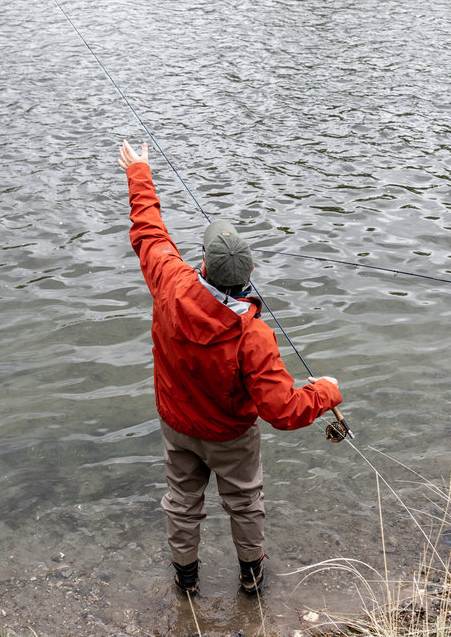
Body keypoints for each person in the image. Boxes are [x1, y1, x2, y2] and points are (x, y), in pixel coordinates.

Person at [117, 140, 343, 595]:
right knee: (244, 503)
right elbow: (282, 411)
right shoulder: (252, 336)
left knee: (182, 502)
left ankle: (185, 580)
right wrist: (326, 392)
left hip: (177, 425)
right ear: (249, 272)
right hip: (231, 437)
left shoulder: (169, 281)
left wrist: (139, 171)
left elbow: (149, 231)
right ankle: (251, 580)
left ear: (202, 263)